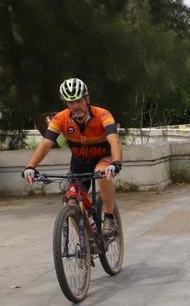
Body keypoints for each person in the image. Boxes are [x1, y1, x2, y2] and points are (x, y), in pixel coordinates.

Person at [22, 78, 122, 234]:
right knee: (71, 199)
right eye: (70, 102)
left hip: (103, 158)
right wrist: (30, 166)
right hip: (79, 163)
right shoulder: (61, 119)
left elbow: (114, 140)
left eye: (79, 101)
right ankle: (86, 239)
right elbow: (46, 143)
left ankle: (109, 217)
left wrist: (115, 162)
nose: (75, 106)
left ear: (87, 99)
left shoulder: (103, 115)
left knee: (103, 175)